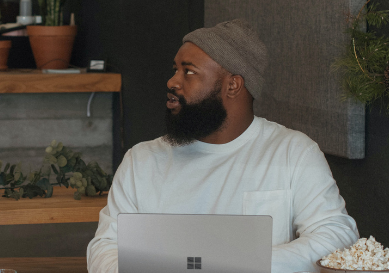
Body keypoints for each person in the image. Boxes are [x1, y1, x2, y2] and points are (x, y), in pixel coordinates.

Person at [87, 19, 359, 273]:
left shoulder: (292, 152)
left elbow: (336, 236)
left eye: (189, 72)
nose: (172, 82)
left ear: (233, 85)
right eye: (175, 70)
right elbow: (106, 247)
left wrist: (242, 264)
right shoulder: (142, 160)